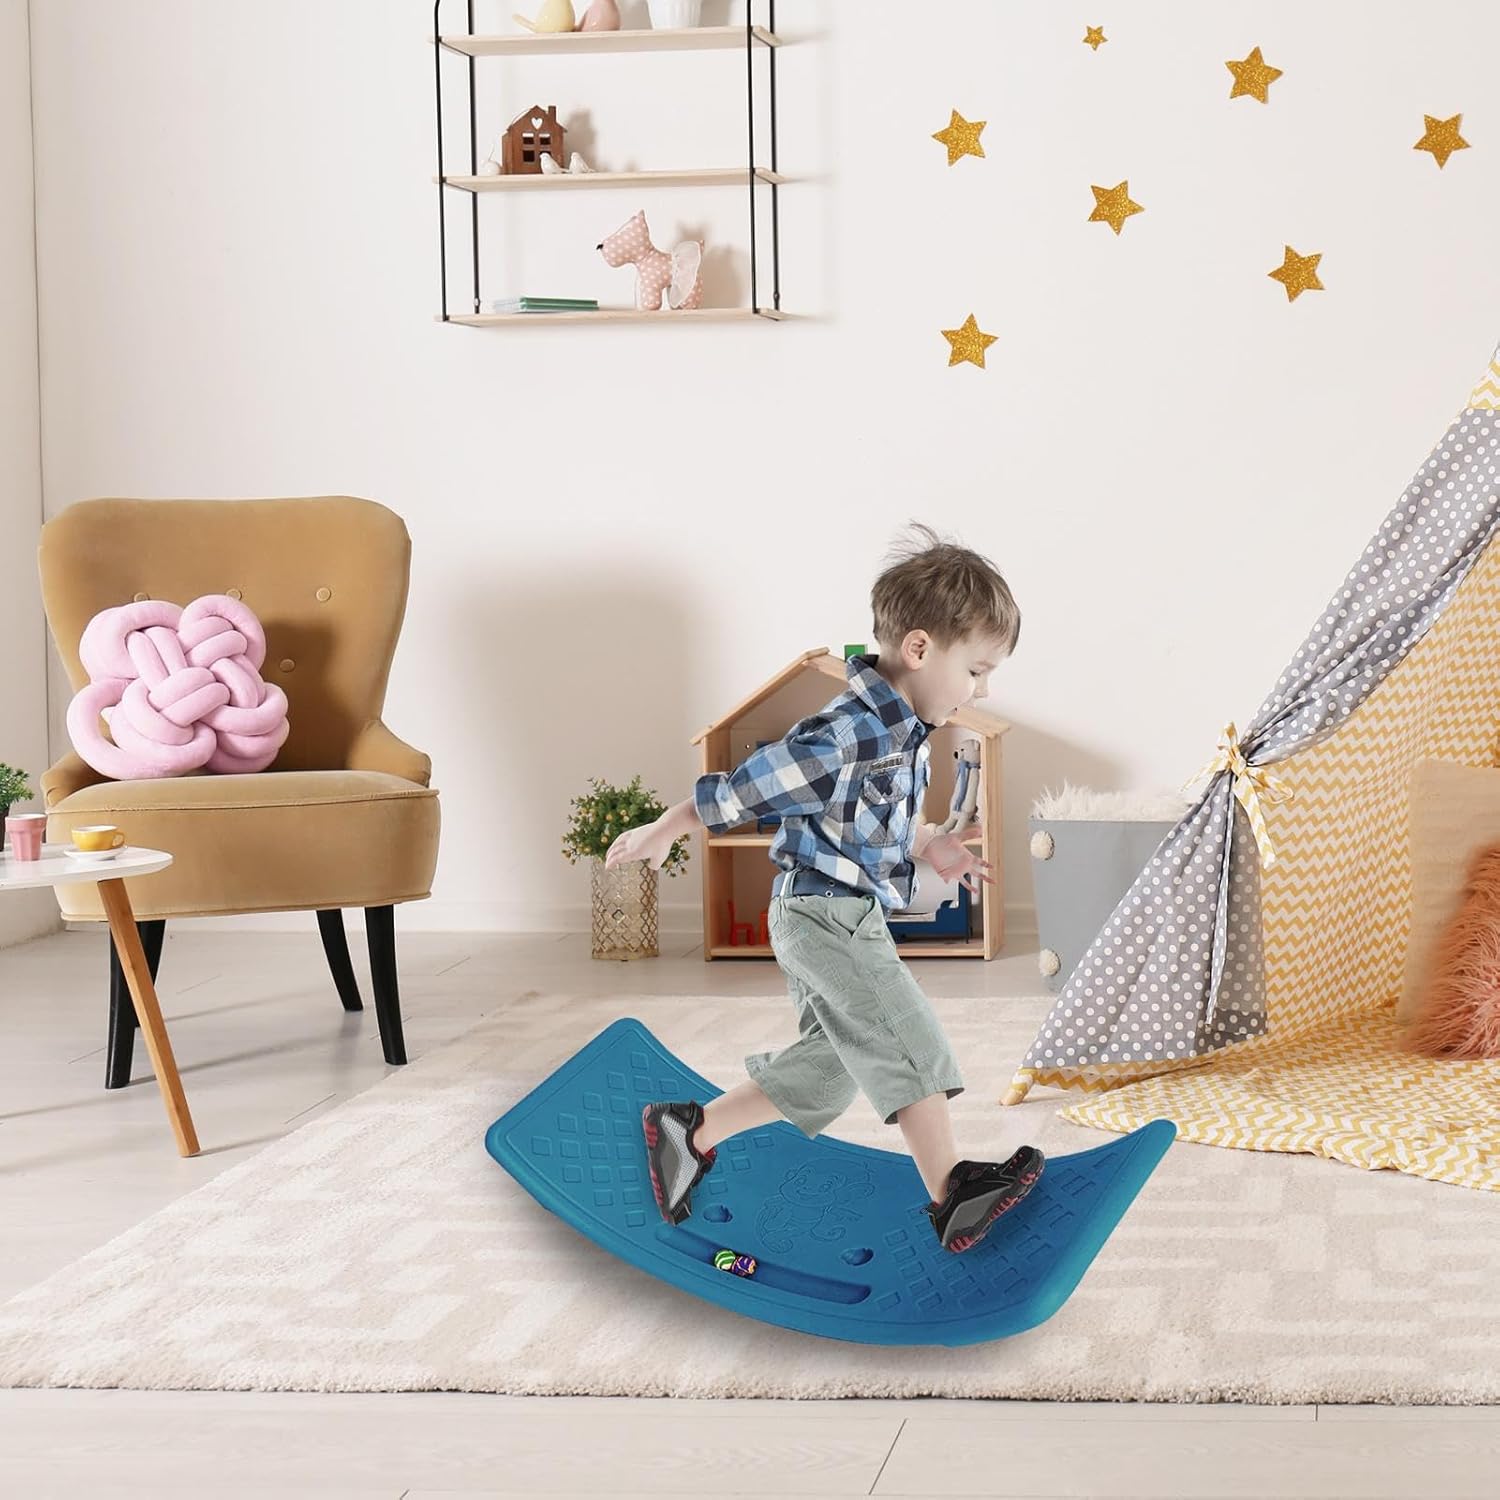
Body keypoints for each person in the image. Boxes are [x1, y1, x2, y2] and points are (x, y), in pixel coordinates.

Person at [606, 524, 1044, 1253]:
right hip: (822, 911)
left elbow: (873, 822)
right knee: (903, 1033)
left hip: (834, 912)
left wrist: (931, 842)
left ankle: (690, 1132)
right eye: (976, 670)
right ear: (919, 649)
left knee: (836, 1064)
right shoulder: (845, 732)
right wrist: (670, 824)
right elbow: (748, 788)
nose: (983, 689)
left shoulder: (902, 734)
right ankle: (952, 1193)